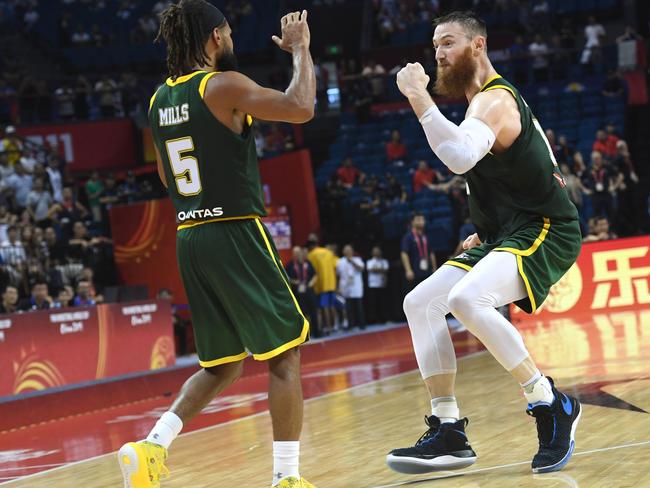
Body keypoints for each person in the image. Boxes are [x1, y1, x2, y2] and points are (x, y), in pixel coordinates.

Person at [117, 3, 316, 488]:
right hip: (234, 229)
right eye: (226, 33)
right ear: (213, 39)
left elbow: (167, 174)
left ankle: (151, 447)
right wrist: (302, 50)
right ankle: (287, 478)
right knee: (285, 353)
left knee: (222, 363)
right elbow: (301, 107)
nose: (231, 40)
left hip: (190, 235)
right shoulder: (221, 85)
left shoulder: (158, 100)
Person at [388, 11, 582, 477]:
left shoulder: (495, 101)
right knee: (421, 303)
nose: (438, 53)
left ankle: (549, 402)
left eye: (449, 42)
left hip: (547, 227)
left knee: (467, 298)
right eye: (435, 45)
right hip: (507, 231)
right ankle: (450, 429)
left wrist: (417, 96)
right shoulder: (476, 108)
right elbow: (485, 169)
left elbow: (457, 158)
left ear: (478, 46)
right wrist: (487, 228)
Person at [306, 233, 338, 335]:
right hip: (331, 284)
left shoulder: (311, 255)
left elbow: (311, 271)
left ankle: (328, 327)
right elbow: (335, 266)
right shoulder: (328, 252)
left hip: (321, 285)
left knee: (324, 307)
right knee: (331, 306)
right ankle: (334, 326)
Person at [285, 246, 318, 336]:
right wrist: (294, 281)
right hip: (298, 293)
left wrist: (311, 283)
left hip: (309, 291)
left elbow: (315, 275)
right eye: (295, 253)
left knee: (313, 311)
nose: (297, 254)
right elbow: (287, 278)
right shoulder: (290, 265)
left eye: (298, 252)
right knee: (303, 313)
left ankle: (316, 331)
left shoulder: (307, 263)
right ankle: (305, 333)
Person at [400, 212, 436, 291]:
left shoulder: (426, 236)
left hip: (427, 271)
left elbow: (431, 253)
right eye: (418, 220)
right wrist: (408, 270)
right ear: (412, 222)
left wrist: (434, 267)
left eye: (423, 219)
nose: (421, 222)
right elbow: (404, 253)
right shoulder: (408, 237)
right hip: (415, 271)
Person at [336, 244, 365, 330]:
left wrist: (351, 261)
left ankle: (361, 325)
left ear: (352, 251)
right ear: (343, 252)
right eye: (346, 250)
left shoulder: (357, 260)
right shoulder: (340, 262)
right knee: (348, 308)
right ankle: (351, 325)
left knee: (359, 307)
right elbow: (338, 275)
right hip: (346, 287)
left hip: (356, 287)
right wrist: (338, 287)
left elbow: (361, 269)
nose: (348, 252)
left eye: (349, 250)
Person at [365, 246, 389, 324]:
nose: (377, 253)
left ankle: (384, 319)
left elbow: (386, 270)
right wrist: (379, 270)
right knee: (373, 303)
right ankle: (374, 319)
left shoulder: (384, 261)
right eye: (375, 251)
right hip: (373, 285)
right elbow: (370, 269)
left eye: (378, 251)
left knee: (383, 303)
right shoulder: (369, 262)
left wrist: (376, 269)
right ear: (372, 253)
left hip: (382, 284)